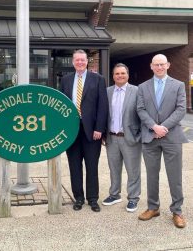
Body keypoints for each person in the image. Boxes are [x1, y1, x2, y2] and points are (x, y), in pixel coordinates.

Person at [137, 54, 187, 228]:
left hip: (171, 137)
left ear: (168, 65)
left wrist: (163, 127)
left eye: (162, 64)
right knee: (151, 175)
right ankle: (153, 207)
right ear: (151, 66)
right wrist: (153, 127)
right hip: (150, 138)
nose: (159, 67)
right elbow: (140, 109)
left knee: (175, 176)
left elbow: (181, 109)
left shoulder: (179, 85)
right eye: (156, 64)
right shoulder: (142, 87)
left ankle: (177, 211)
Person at [60, 49, 108, 212]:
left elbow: (103, 106)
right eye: (77, 60)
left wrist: (99, 128)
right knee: (74, 166)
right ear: (73, 62)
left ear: (88, 62)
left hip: (92, 132)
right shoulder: (65, 80)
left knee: (92, 166)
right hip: (72, 131)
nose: (80, 62)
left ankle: (93, 199)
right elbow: (60, 107)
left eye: (82, 60)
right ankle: (78, 198)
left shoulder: (98, 79)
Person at [103, 63, 141, 212]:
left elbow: (144, 114)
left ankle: (133, 198)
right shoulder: (107, 91)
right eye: (117, 74)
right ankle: (114, 194)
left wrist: (140, 136)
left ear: (128, 75)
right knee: (114, 169)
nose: (120, 76)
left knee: (133, 170)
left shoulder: (136, 91)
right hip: (112, 138)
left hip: (130, 138)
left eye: (123, 73)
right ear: (113, 76)